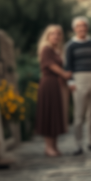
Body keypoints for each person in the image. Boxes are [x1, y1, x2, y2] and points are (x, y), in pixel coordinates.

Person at [65, 16, 91, 156]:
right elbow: (68, 65)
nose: (82, 28)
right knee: (79, 114)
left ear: (87, 28)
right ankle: (78, 144)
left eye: (84, 26)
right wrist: (70, 82)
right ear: (74, 29)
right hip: (79, 78)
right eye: (79, 26)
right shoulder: (70, 45)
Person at [36, 25, 72, 157]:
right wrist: (64, 74)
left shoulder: (57, 50)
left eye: (58, 34)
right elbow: (51, 65)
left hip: (56, 85)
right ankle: (48, 147)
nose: (55, 36)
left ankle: (54, 146)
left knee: (56, 115)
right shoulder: (46, 49)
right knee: (49, 114)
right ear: (48, 36)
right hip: (49, 84)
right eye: (53, 34)